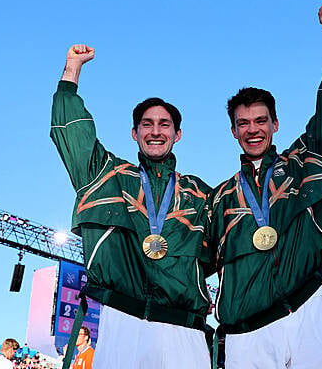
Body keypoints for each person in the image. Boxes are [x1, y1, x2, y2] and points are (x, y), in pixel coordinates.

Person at [208, 3, 322, 368]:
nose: (252, 129)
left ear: (275, 124)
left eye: (260, 120)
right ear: (233, 132)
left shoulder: (302, 162)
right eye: (243, 123)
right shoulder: (220, 197)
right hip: (248, 331)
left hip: (310, 309)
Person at [51, 44, 212, 368]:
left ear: (177, 134)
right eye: (147, 124)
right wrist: (72, 69)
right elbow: (71, 131)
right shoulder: (107, 174)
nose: (156, 131)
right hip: (122, 323)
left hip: (185, 329)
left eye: (164, 124)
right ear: (134, 133)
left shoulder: (200, 194)